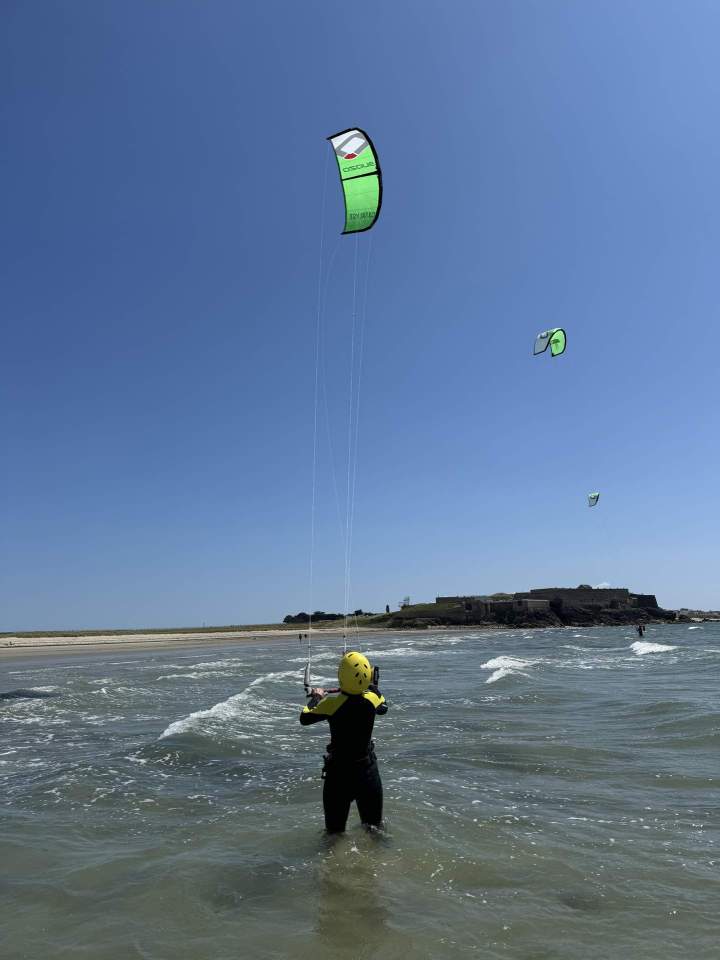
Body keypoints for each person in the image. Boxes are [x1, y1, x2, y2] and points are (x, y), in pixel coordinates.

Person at [299, 650, 388, 834]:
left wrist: (317, 696)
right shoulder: (372, 699)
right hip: (367, 773)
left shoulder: (331, 704)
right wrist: (372, 687)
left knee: (334, 834)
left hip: (339, 776)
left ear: (341, 677)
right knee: (375, 830)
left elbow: (304, 718)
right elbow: (384, 707)